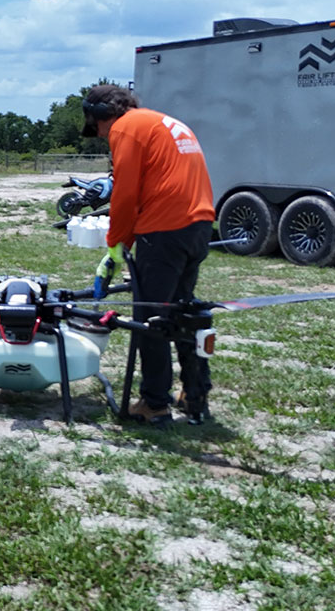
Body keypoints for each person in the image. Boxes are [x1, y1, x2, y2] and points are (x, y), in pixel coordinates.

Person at [81, 84, 216, 425]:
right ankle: (195, 391)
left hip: (165, 230)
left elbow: (126, 194)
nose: (102, 135)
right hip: (198, 225)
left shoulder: (126, 128)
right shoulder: (163, 122)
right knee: (183, 311)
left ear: (103, 116)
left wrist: (117, 243)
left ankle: (155, 403)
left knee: (150, 319)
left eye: (97, 128)